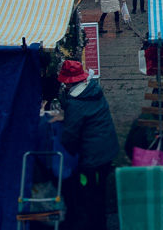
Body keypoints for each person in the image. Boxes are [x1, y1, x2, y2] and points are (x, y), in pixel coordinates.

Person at [56, 60, 119, 230]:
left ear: (68, 83)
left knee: (89, 196)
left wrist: (72, 150)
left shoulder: (74, 103)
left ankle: (95, 225)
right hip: (107, 149)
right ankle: (101, 224)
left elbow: (69, 137)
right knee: (100, 193)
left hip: (93, 158)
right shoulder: (94, 90)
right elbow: (88, 115)